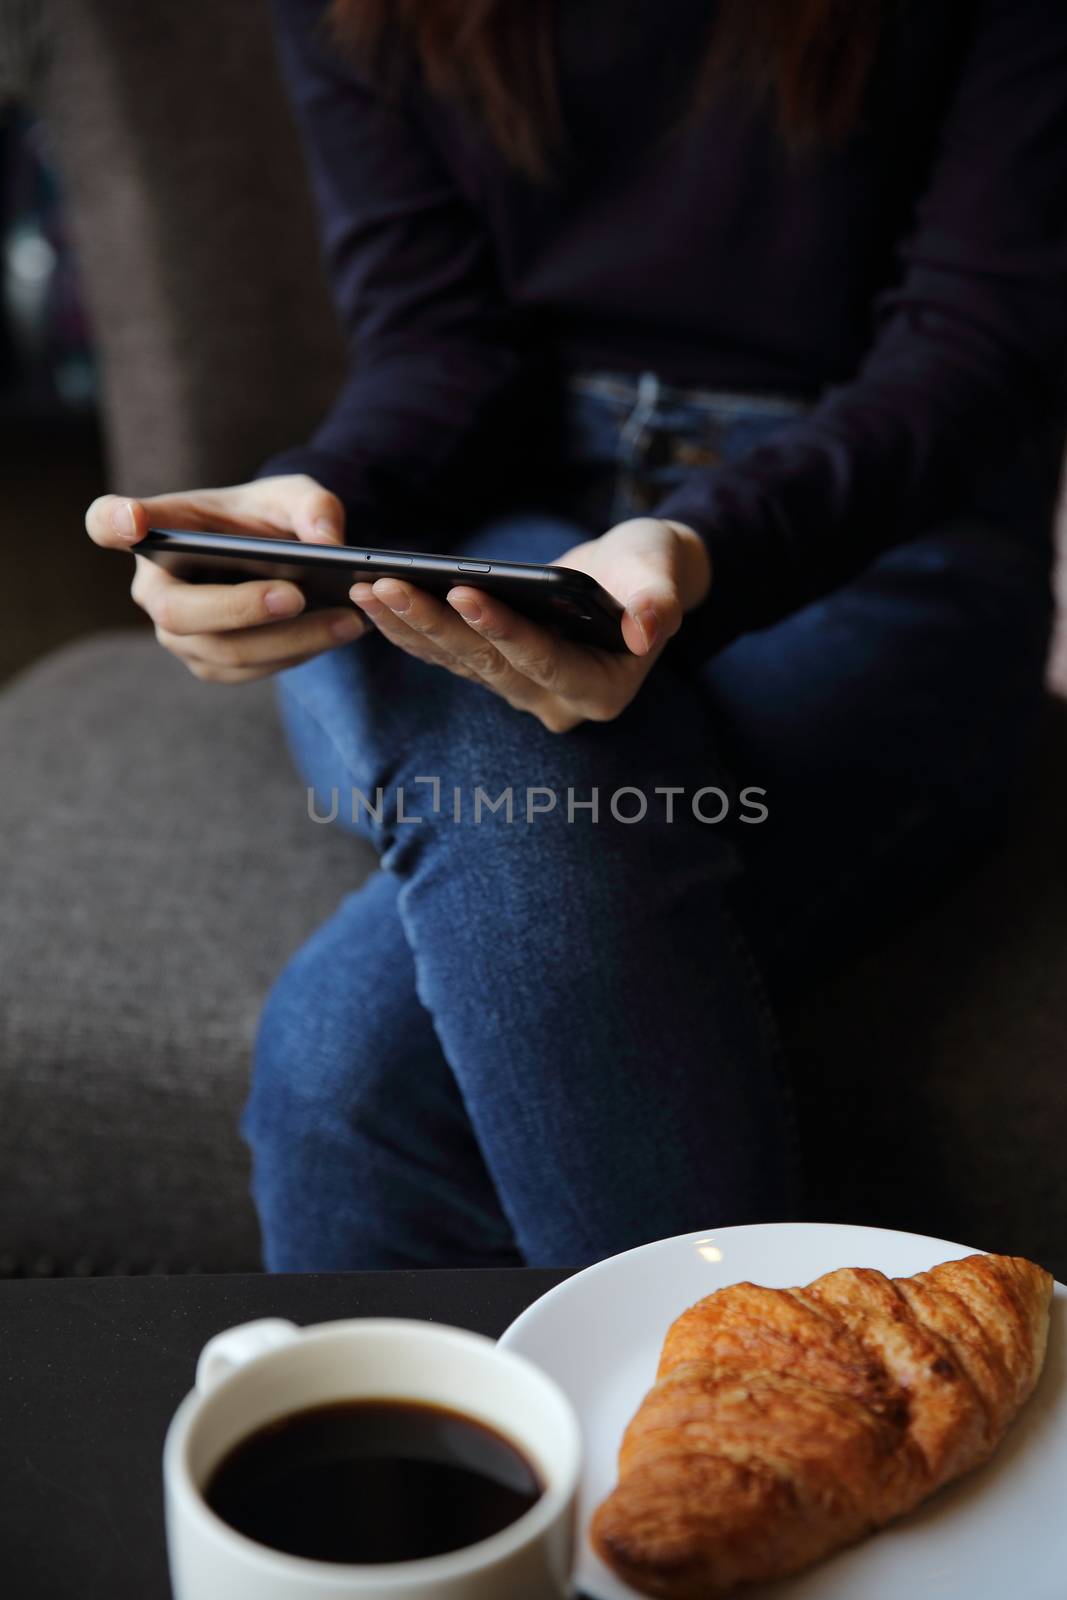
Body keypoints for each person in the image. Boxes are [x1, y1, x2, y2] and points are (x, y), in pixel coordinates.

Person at [86, 0, 1067, 1271]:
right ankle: (738, 1437)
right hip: (510, 499)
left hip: (885, 540)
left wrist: (701, 544)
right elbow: (440, 348)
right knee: (486, 792)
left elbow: (974, 350)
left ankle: (689, 1453)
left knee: (350, 1072)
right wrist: (317, 500)